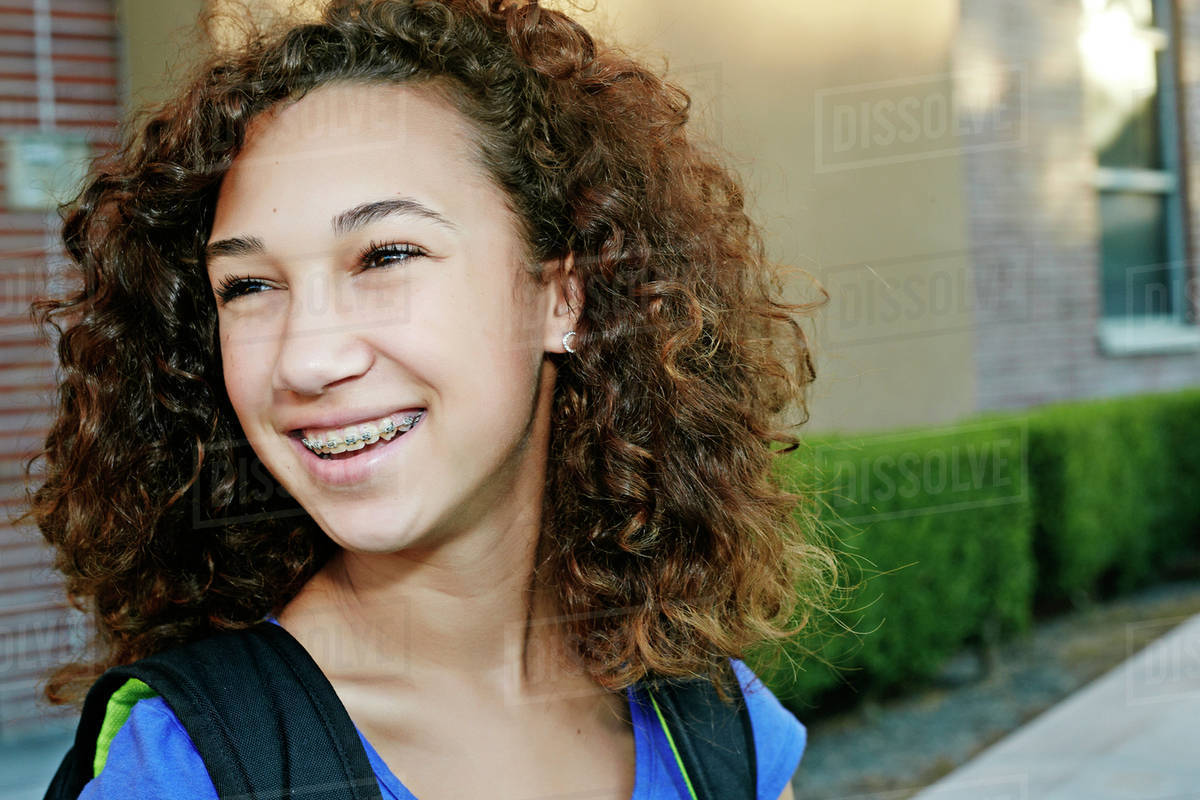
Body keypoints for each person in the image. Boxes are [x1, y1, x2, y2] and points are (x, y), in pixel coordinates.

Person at [24, 1, 837, 798]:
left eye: (386, 256)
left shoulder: (714, 725)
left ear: (566, 297)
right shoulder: (189, 772)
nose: (307, 358)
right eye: (248, 286)